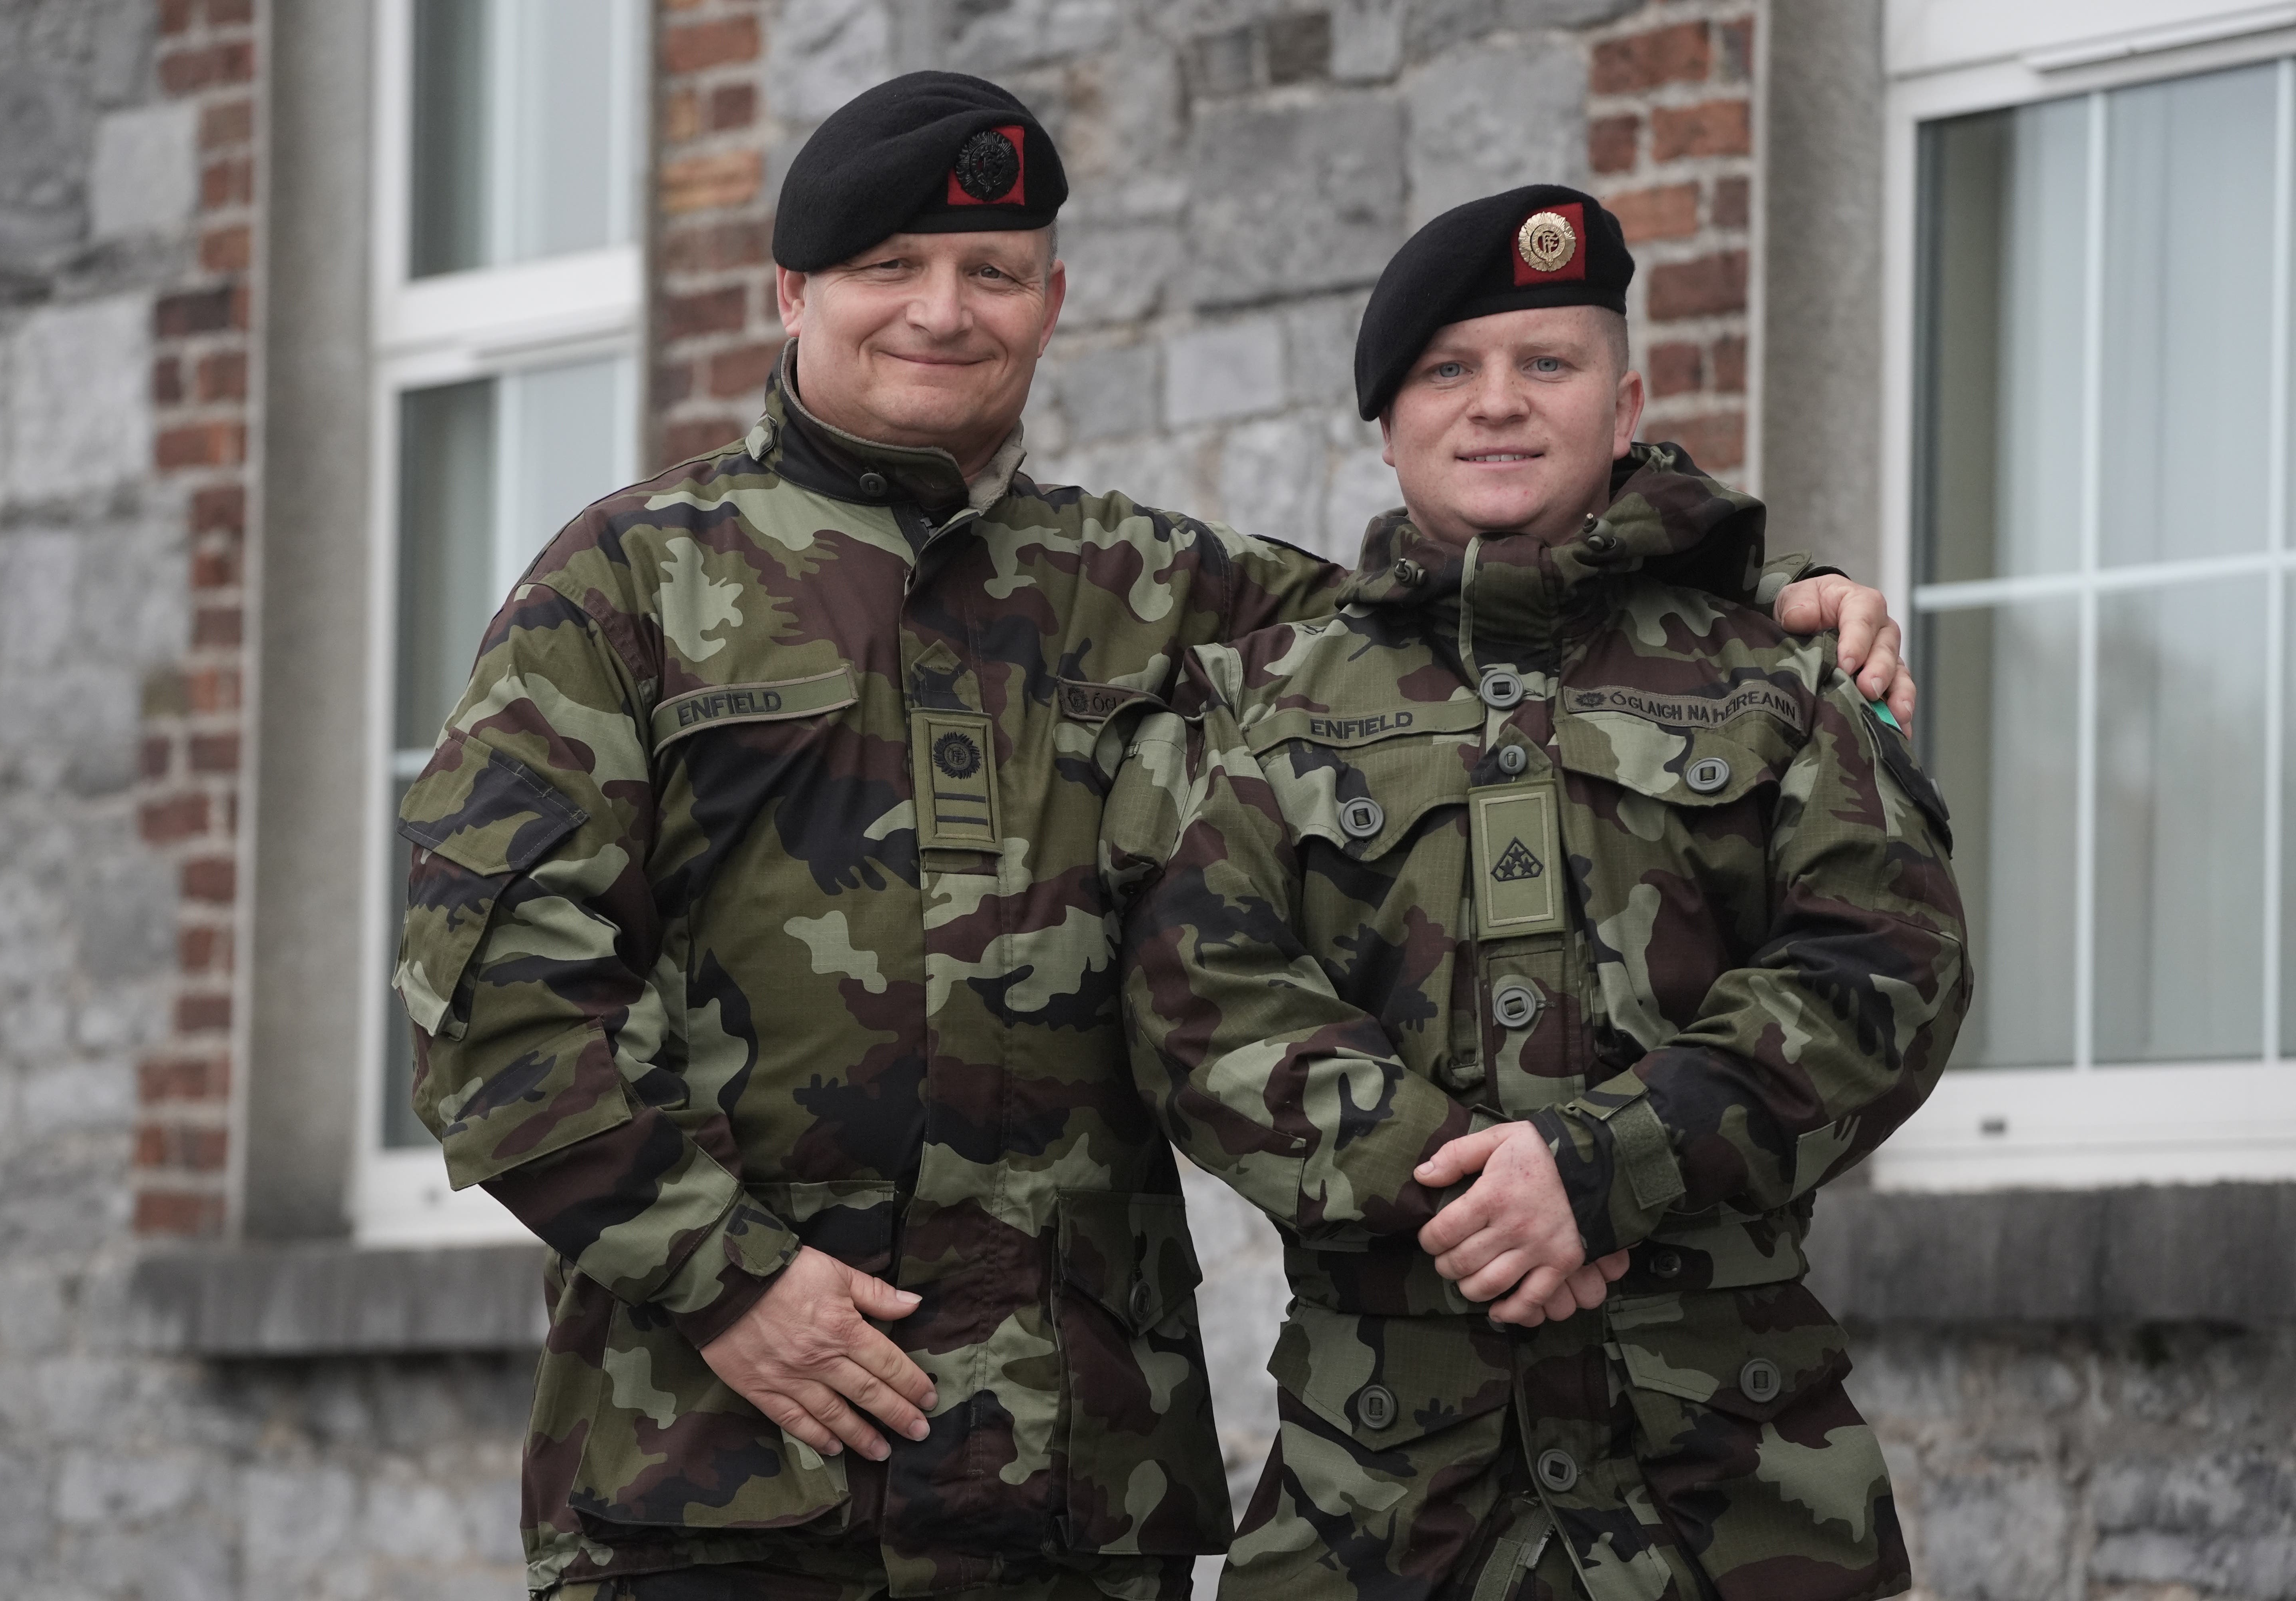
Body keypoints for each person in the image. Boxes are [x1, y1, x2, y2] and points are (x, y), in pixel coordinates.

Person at [392, 70, 1916, 1601]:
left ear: (1052, 302)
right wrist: (730, 1283)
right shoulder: (629, 587)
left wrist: (1770, 598)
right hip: (711, 1477)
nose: (943, 311)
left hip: (1074, 1490)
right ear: (792, 293)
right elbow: (497, 995)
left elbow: (1498, 617)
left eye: (992, 273)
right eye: (889, 270)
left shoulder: (1174, 592)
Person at [1100, 185, 1970, 1601]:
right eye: (1450, 369)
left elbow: (1887, 966)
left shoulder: (1778, 678)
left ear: (1626, 406)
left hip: (1734, 1487)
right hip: (1378, 1495)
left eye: (1546, 365)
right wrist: (1479, 1192)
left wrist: (1602, 1169)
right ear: (1386, 422)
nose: (1497, 404)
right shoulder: (1263, 710)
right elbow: (1197, 1008)